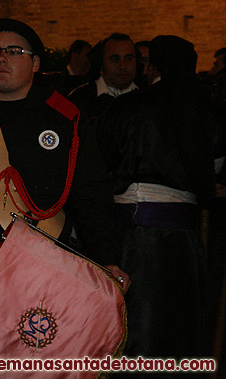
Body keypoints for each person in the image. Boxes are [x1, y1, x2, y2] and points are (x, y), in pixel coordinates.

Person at [0, 19, 129, 379]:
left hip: (47, 273)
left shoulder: (66, 120)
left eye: (14, 51)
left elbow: (91, 196)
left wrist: (106, 257)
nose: (2, 58)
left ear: (35, 63)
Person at [97, 35, 214, 372]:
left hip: (136, 237)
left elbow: (103, 161)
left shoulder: (128, 106)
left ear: (150, 67)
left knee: (138, 328)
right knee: (182, 326)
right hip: (186, 241)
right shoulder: (203, 109)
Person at [68, 33, 138, 127]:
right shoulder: (78, 100)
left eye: (129, 59)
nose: (123, 66)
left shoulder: (147, 97)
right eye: (115, 60)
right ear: (101, 64)